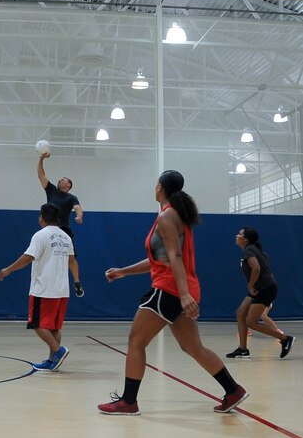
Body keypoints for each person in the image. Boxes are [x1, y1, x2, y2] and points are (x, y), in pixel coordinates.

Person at [98, 170, 248, 416]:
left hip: (169, 290)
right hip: (179, 289)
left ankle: (128, 401)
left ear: (159, 188)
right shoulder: (176, 217)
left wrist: (184, 294)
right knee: (193, 347)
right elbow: (162, 260)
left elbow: (175, 257)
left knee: (136, 341)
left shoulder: (167, 217)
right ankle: (233, 391)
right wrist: (124, 271)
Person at [0, 203, 79, 372]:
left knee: (36, 323)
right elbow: (72, 262)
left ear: (41, 217)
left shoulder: (40, 236)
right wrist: (77, 282)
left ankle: (58, 351)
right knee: (54, 326)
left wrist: (8, 270)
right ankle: (52, 361)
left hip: (44, 288)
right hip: (62, 289)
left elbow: (28, 257)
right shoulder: (65, 237)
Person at [227, 227, 295, 359]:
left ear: (245, 239)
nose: (236, 236)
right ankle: (243, 350)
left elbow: (256, 269)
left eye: (239, 234)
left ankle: (285, 339)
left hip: (263, 288)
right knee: (240, 313)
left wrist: (251, 285)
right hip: (260, 287)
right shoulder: (254, 250)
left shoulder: (248, 250)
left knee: (251, 322)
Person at [37, 152, 84, 298]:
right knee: (45, 256)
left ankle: (77, 282)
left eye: (63, 179)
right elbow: (41, 175)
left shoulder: (71, 197)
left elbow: (78, 207)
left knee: (71, 258)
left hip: (64, 230)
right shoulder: (51, 190)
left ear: (68, 184)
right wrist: (41, 159)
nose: (59, 179)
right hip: (49, 229)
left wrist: (79, 216)